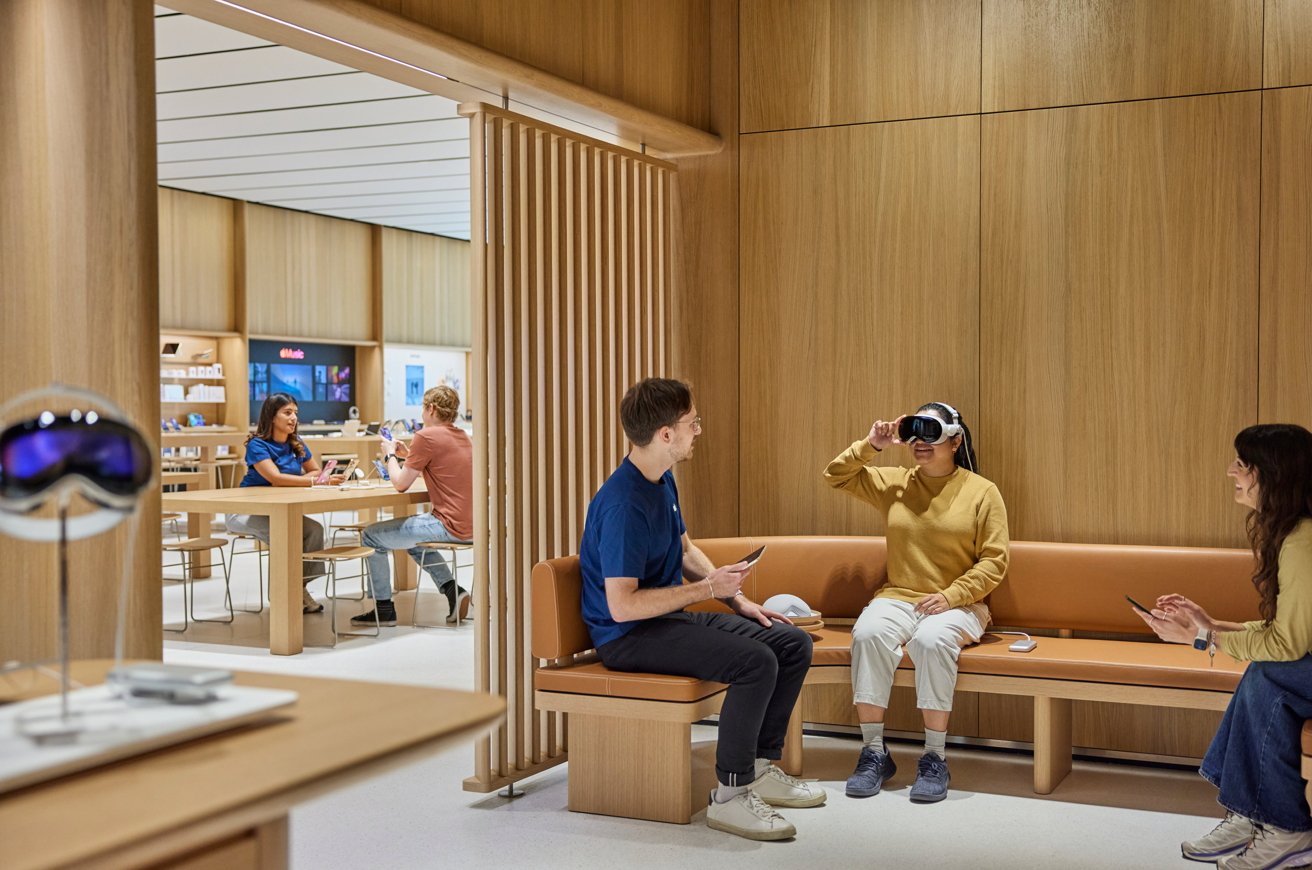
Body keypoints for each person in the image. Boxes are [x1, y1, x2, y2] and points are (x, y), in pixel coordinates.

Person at [579, 377, 823, 841]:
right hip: (627, 637)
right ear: (666, 434)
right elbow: (623, 606)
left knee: (789, 642)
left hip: (663, 621)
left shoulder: (660, 478)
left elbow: (686, 549)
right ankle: (731, 796)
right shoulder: (623, 505)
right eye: (693, 423)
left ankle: (757, 765)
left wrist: (738, 600)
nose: (699, 431)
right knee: (755, 662)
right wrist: (708, 588)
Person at [1140, 424, 1312, 869]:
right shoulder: (1294, 534)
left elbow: (1288, 645)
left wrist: (1201, 638)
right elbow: (1291, 632)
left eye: (1241, 463)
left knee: (1267, 673)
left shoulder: (1303, 541)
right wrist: (1212, 623)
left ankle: (1285, 827)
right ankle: (1258, 815)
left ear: (1270, 474)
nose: (1231, 471)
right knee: (1263, 674)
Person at [823, 402, 1009, 803]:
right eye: (913, 433)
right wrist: (871, 445)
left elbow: (995, 561)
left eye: (930, 432)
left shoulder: (982, 492)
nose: (919, 442)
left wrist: (951, 596)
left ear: (955, 440)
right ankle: (874, 752)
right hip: (900, 596)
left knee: (931, 641)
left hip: (961, 603)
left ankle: (935, 758)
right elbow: (835, 476)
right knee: (869, 632)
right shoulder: (896, 483)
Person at [352, 385, 473, 627]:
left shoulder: (425, 436)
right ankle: (452, 589)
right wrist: (409, 455)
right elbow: (436, 466)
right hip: (472, 526)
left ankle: (383, 609)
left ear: (431, 408)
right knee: (411, 539)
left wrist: (389, 456)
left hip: (447, 525)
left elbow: (400, 484)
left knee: (372, 536)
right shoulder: (463, 436)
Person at [225, 393, 341, 613]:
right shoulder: (257, 445)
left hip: (278, 509)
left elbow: (315, 469)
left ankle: (297, 586)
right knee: (287, 533)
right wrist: (314, 481)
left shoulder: (296, 443)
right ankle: (284, 594)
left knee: (314, 530)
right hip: (244, 512)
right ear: (272, 416)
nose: (293, 418)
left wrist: (312, 479)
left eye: (295, 413)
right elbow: (276, 479)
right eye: (287, 413)